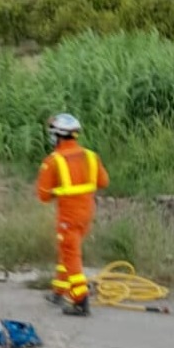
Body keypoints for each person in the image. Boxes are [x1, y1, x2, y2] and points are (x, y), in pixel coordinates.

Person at [36, 113, 108, 316]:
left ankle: (80, 300)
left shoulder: (53, 161)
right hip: (86, 215)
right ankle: (59, 291)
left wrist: (59, 191)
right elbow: (103, 182)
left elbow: (43, 195)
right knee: (67, 251)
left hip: (68, 216)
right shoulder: (91, 156)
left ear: (57, 136)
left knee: (71, 255)